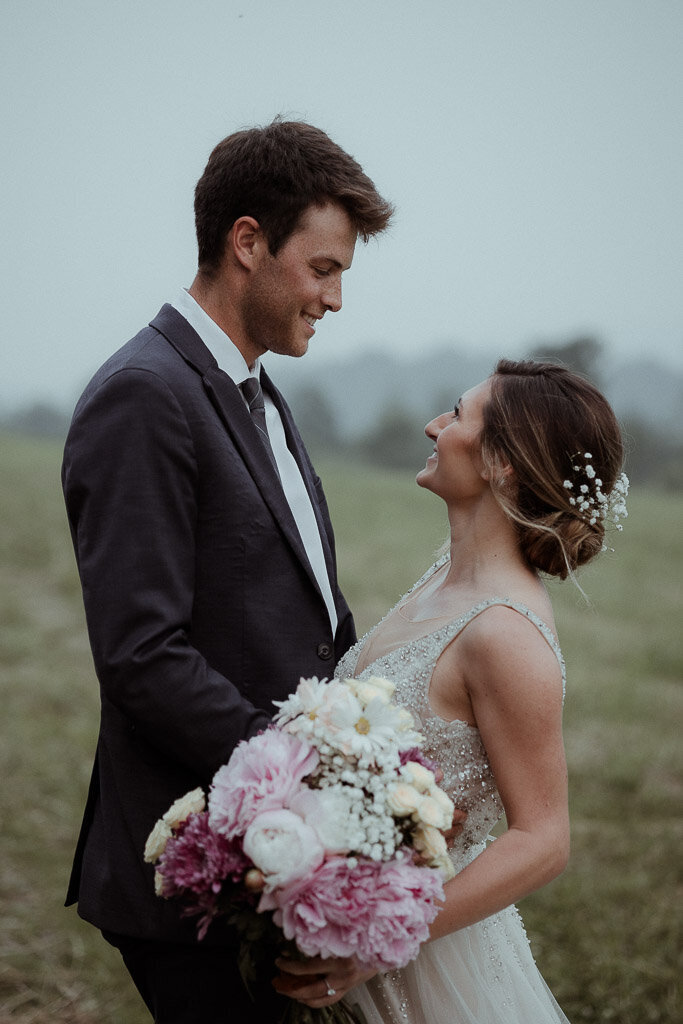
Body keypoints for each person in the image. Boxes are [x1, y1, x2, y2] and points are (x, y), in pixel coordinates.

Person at [61, 118, 393, 1022]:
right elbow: (140, 652)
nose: (332, 299)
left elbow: (303, 612)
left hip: (271, 860)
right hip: (198, 873)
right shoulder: (145, 393)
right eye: (322, 268)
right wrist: (309, 784)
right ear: (247, 241)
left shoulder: (259, 390)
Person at [274, 359, 628, 1023]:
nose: (433, 425)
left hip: (421, 960)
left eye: (456, 414)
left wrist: (378, 940)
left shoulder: (503, 634)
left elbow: (543, 839)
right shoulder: (444, 577)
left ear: (502, 462)